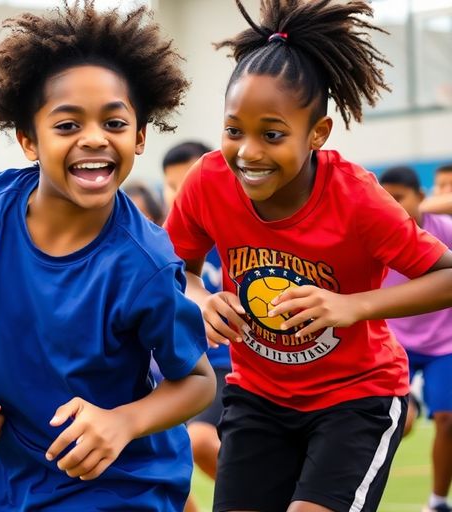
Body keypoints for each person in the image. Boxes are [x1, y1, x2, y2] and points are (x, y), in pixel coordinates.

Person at [0, 2, 216, 510]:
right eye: (66, 125)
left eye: (115, 122)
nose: (94, 138)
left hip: (117, 486)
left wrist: (121, 423)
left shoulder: (145, 262)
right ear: (27, 139)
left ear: (140, 136)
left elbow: (195, 382)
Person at [164, 1, 452, 510]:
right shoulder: (208, 181)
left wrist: (352, 306)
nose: (248, 152)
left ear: (317, 133)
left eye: (272, 134)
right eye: (234, 130)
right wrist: (200, 298)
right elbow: (171, 268)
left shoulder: (357, 198)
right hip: (258, 396)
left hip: (356, 398)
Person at [378, 166, 452, 512]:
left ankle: (437, 502)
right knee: (396, 423)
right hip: (395, 343)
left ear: (421, 198)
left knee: (448, 419)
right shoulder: (376, 237)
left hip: (445, 344)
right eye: (385, 199)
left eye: (399, 199)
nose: (391, 207)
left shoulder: (446, 233)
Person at [162, 140, 225, 512]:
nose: (181, 194)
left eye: (188, 184)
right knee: (159, 468)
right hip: (173, 368)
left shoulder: (234, 232)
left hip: (223, 365)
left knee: (199, 440)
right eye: (172, 186)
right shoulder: (160, 245)